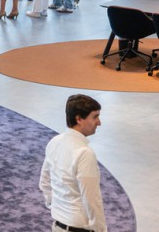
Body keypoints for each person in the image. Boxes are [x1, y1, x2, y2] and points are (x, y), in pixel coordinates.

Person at [39, 94, 106, 232]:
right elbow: (92, 200)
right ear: (79, 119)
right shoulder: (85, 154)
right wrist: (101, 230)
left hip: (57, 226)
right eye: (95, 117)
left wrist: (57, 207)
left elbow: (44, 182)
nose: (99, 122)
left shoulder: (54, 142)